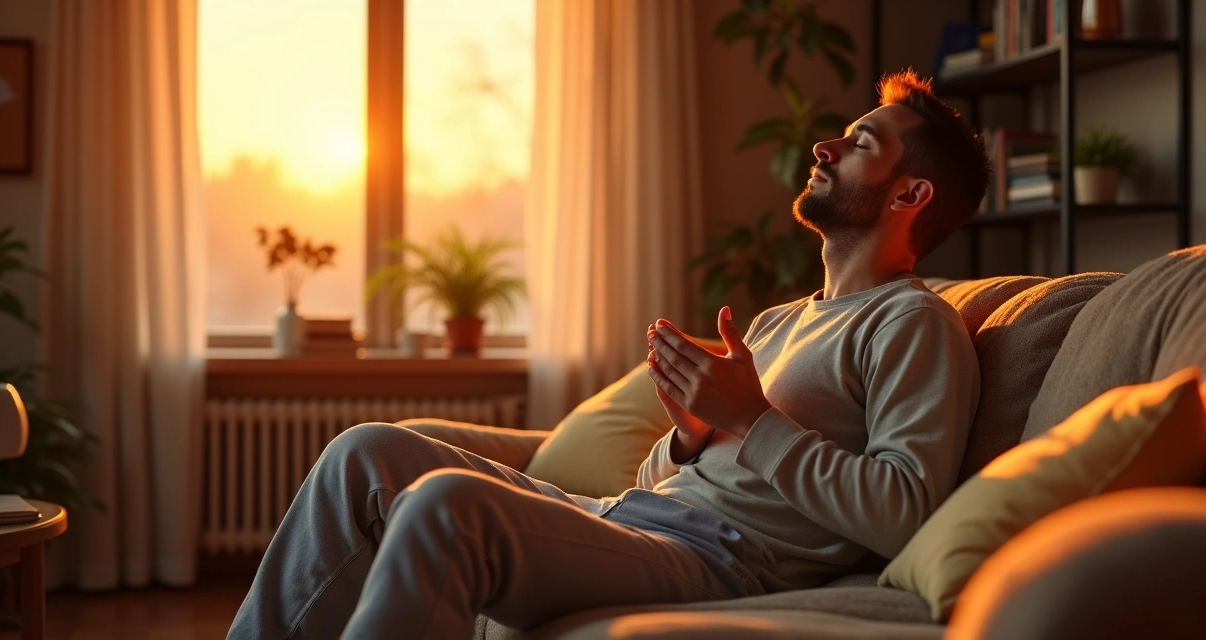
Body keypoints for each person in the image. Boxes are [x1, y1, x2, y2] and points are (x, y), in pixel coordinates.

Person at [228, 69, 988, 640]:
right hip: (637, 518)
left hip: (722, 561)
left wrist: (750, 421)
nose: (826, 145)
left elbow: (902, 514)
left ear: (909, 196)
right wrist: (689, 436)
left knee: (445, 506)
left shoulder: (913, 324)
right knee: (365, 453)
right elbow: (657, 482)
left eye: (861, 144)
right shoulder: (779, 321)